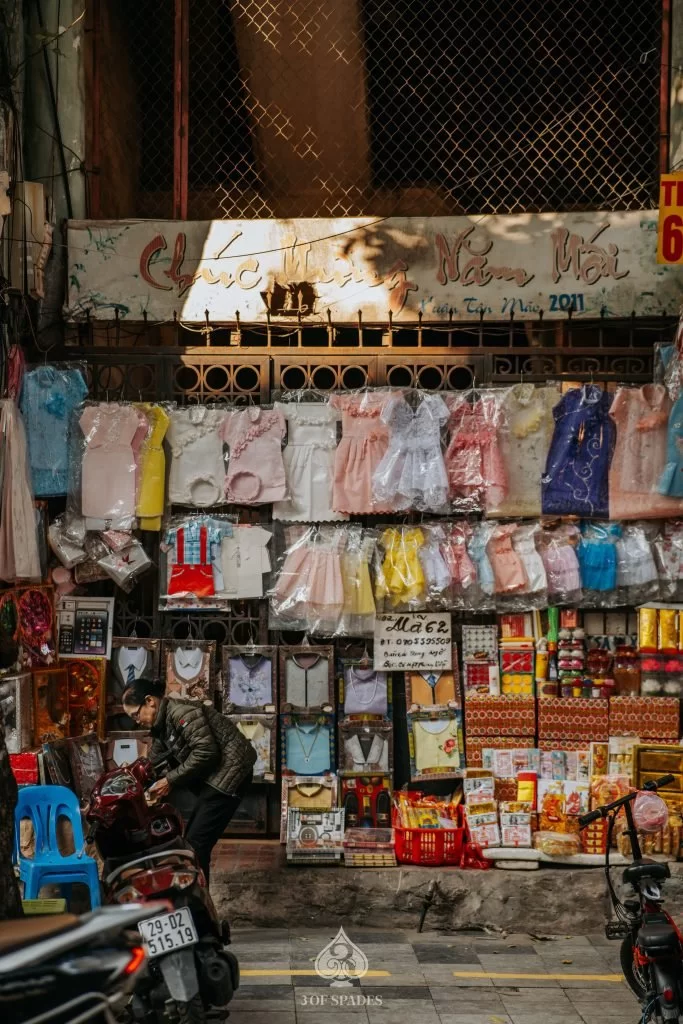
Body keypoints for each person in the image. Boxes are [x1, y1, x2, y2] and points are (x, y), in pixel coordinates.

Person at [121, 678, 256, 881]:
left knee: (196, 844)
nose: (136, 720)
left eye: (135, 714)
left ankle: (197, 898)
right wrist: (130, 779)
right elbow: (153, 762)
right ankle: (196, 894)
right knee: (192, 843)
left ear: (150, 701)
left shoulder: (180, 713)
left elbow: (206, 752)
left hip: (231, 772)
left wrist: (169, 780)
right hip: (217, 776)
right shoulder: (162, 723)